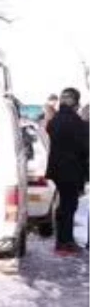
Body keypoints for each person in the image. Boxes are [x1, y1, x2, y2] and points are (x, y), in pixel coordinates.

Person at [45, 87, 89, 255]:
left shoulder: (54, 121)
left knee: (63, 206)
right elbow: (85, 148)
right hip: (72, 170)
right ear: (76, 103)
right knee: (69, 206)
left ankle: (61, 242)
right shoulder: (78, 123)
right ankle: (65, 243)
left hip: (57, 170)